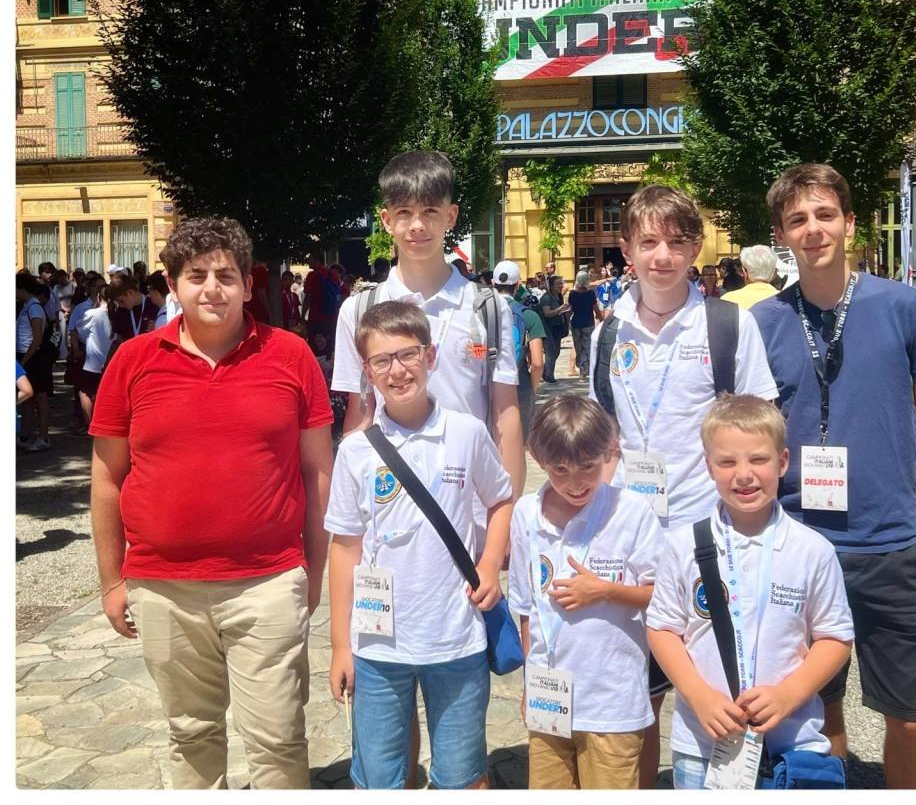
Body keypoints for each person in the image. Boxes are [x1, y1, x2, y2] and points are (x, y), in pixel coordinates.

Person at [88, 217, 334, 789]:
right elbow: (106, 479)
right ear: (173, 285)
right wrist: (111, 580)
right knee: (191, 735)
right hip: (162, 587)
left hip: (268, 580)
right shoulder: (132, 361)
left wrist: (314, 570)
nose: (211, 289)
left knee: (278, 737)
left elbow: (319, 471)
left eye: (226, 275)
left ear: (248, 285)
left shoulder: (290, 355)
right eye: (196, 276)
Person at [751, 163, 916, 789]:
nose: (812, 229)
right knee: (817, 708)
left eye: (824, 214)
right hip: (797, 544)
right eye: (797, 220)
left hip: (886, 543)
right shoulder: (764, 323)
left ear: (848, 222)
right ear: (781, 235)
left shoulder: (902, 306)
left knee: (911, 716)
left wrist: (873, 453)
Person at [587, 184, 778, 788]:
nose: (662, 256)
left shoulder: (728, 324)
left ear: (695, 248)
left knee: (718, 684)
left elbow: (759, 423)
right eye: (648, 242)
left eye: (676, 242)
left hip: (709, 532)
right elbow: (604, 437)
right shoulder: (607, 333)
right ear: (626, 250)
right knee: (636, 694)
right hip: (632, 533)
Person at [326, 301, 513, 790]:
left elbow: (501, 500)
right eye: (381, 360)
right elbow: (344, 548)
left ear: (430, 356)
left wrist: (490, 563)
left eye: (407, 354)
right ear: (367, 371)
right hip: (377, 645)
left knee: (460, 776)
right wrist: (341, 645)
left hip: (456, 638)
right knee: (379, 778)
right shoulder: (355, 452)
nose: (397, 370)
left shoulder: (466, 433)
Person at [647, 394, 854, 789]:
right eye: (727, 462)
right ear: (709, 466)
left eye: (758, 459)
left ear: (783, 461)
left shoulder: (813, 550)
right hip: (702, 745)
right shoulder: (682, 545)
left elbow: (836, 637)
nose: (744, 475)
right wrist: (698, 695)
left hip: (791, 745)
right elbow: (661, 629)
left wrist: (788, 694)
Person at [333, 150, 524, 507]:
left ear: (451, 216)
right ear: (387, 220)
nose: (417, 225)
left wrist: (508, 513)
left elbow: (505, 414)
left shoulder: (488, 308)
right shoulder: (359, 311)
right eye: (404, 212)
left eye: (430, 212)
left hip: (470, 504)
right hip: (390, 499)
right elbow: (360, 413)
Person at [509, 395, 663, 789]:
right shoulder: (526, 514)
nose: (575, 483)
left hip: (611, 700)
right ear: (538, 459)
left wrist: (605, 591)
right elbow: (527, 609)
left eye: (588, 467)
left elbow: (661, 595)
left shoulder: (631, 511)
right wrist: (531, 682)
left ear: (608, 452)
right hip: (550, 697)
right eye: (560, 470)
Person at [492, 260, 547, 439]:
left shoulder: (478, 312)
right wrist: (532, 388)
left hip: (487, 387)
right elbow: (537, 363)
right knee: (518, 441)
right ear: (518, 285)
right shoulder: (529, 315)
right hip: (519, 385)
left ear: (493, 283)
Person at [16, 275, 51, 452]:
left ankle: (43, 437)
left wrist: (23, 362)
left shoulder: (34, 307)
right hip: (26, 356)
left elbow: (37, 339)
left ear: (22, 288)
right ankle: (25, 435)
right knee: (28, 400)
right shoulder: (27, 306)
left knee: (40, 397)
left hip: (34, 358)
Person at [74, 285, 114, 427]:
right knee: (107, 393)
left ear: (98, 296)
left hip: (94, 362)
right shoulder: (117, 313)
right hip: (112, 360)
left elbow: (80, 332)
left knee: (85, 392)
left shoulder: (92, 313)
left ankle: (90, 424)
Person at [568, 270, 601, 382]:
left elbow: (570, 309)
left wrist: (565, 320)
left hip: (576, 323)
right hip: (588, 323)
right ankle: (583, 370)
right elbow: (596, 309)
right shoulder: (590, 294)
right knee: (586, 348)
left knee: (578, 347)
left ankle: (582, 369)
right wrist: (601, 318)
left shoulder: (572, 294)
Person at [108, 273, 160, 342]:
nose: (120, 305)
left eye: (121, 301)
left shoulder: (153, 305)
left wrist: (157, 327)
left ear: (130, 292)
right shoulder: (120, 312)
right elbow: (118, 339)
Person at [303, 254, 342, 342]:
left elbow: (308, 298)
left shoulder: (312, 276)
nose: (308, 261)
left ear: (317, 261)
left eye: (310, 259)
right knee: (328, 344)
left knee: (315, 345)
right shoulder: (333, 276)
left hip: (315, 318)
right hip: (331, 318)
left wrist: (302, 316)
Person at [539, 276, 570, 383]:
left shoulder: (559, 296)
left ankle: (545, 371)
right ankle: (549, 375)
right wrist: (560, 309)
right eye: (558, 283)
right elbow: (547, 313)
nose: (560, 286)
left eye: (561, 283)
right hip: (548, 328)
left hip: (557, 328)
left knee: (556, 351)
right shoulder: (547, 298)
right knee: (551, 351)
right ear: (551, 286)